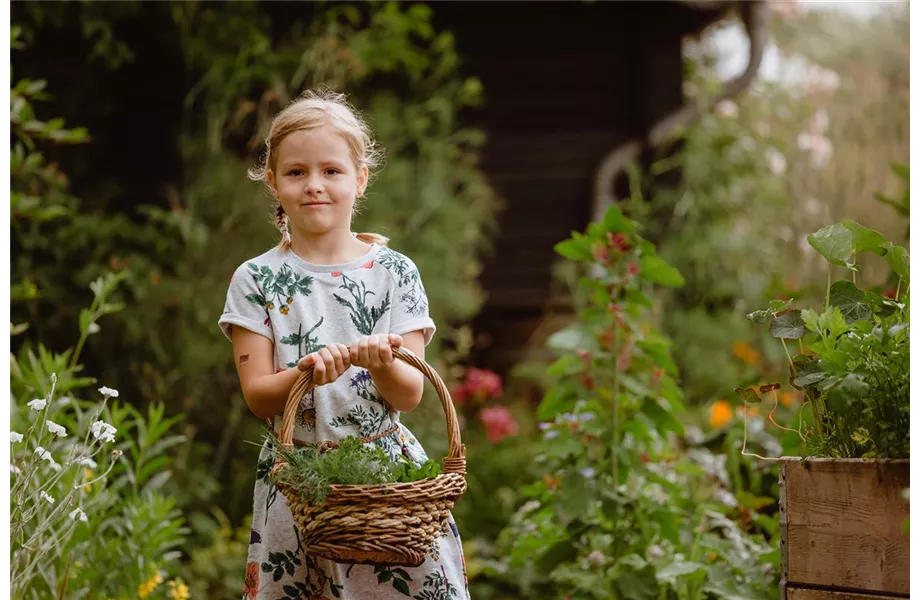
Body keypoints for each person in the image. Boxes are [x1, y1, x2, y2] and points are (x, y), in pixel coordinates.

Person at [218, 89, 470, 600]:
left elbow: (408, 395)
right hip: (298, 485)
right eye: (296, 172)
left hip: (386, 485)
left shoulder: (395, 273)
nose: (314, 185)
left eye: (331, 171)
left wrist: (381, 367)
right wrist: (309, 373)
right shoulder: (256, 279)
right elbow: (259, 396)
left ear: (360, 178)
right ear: (273, 182)